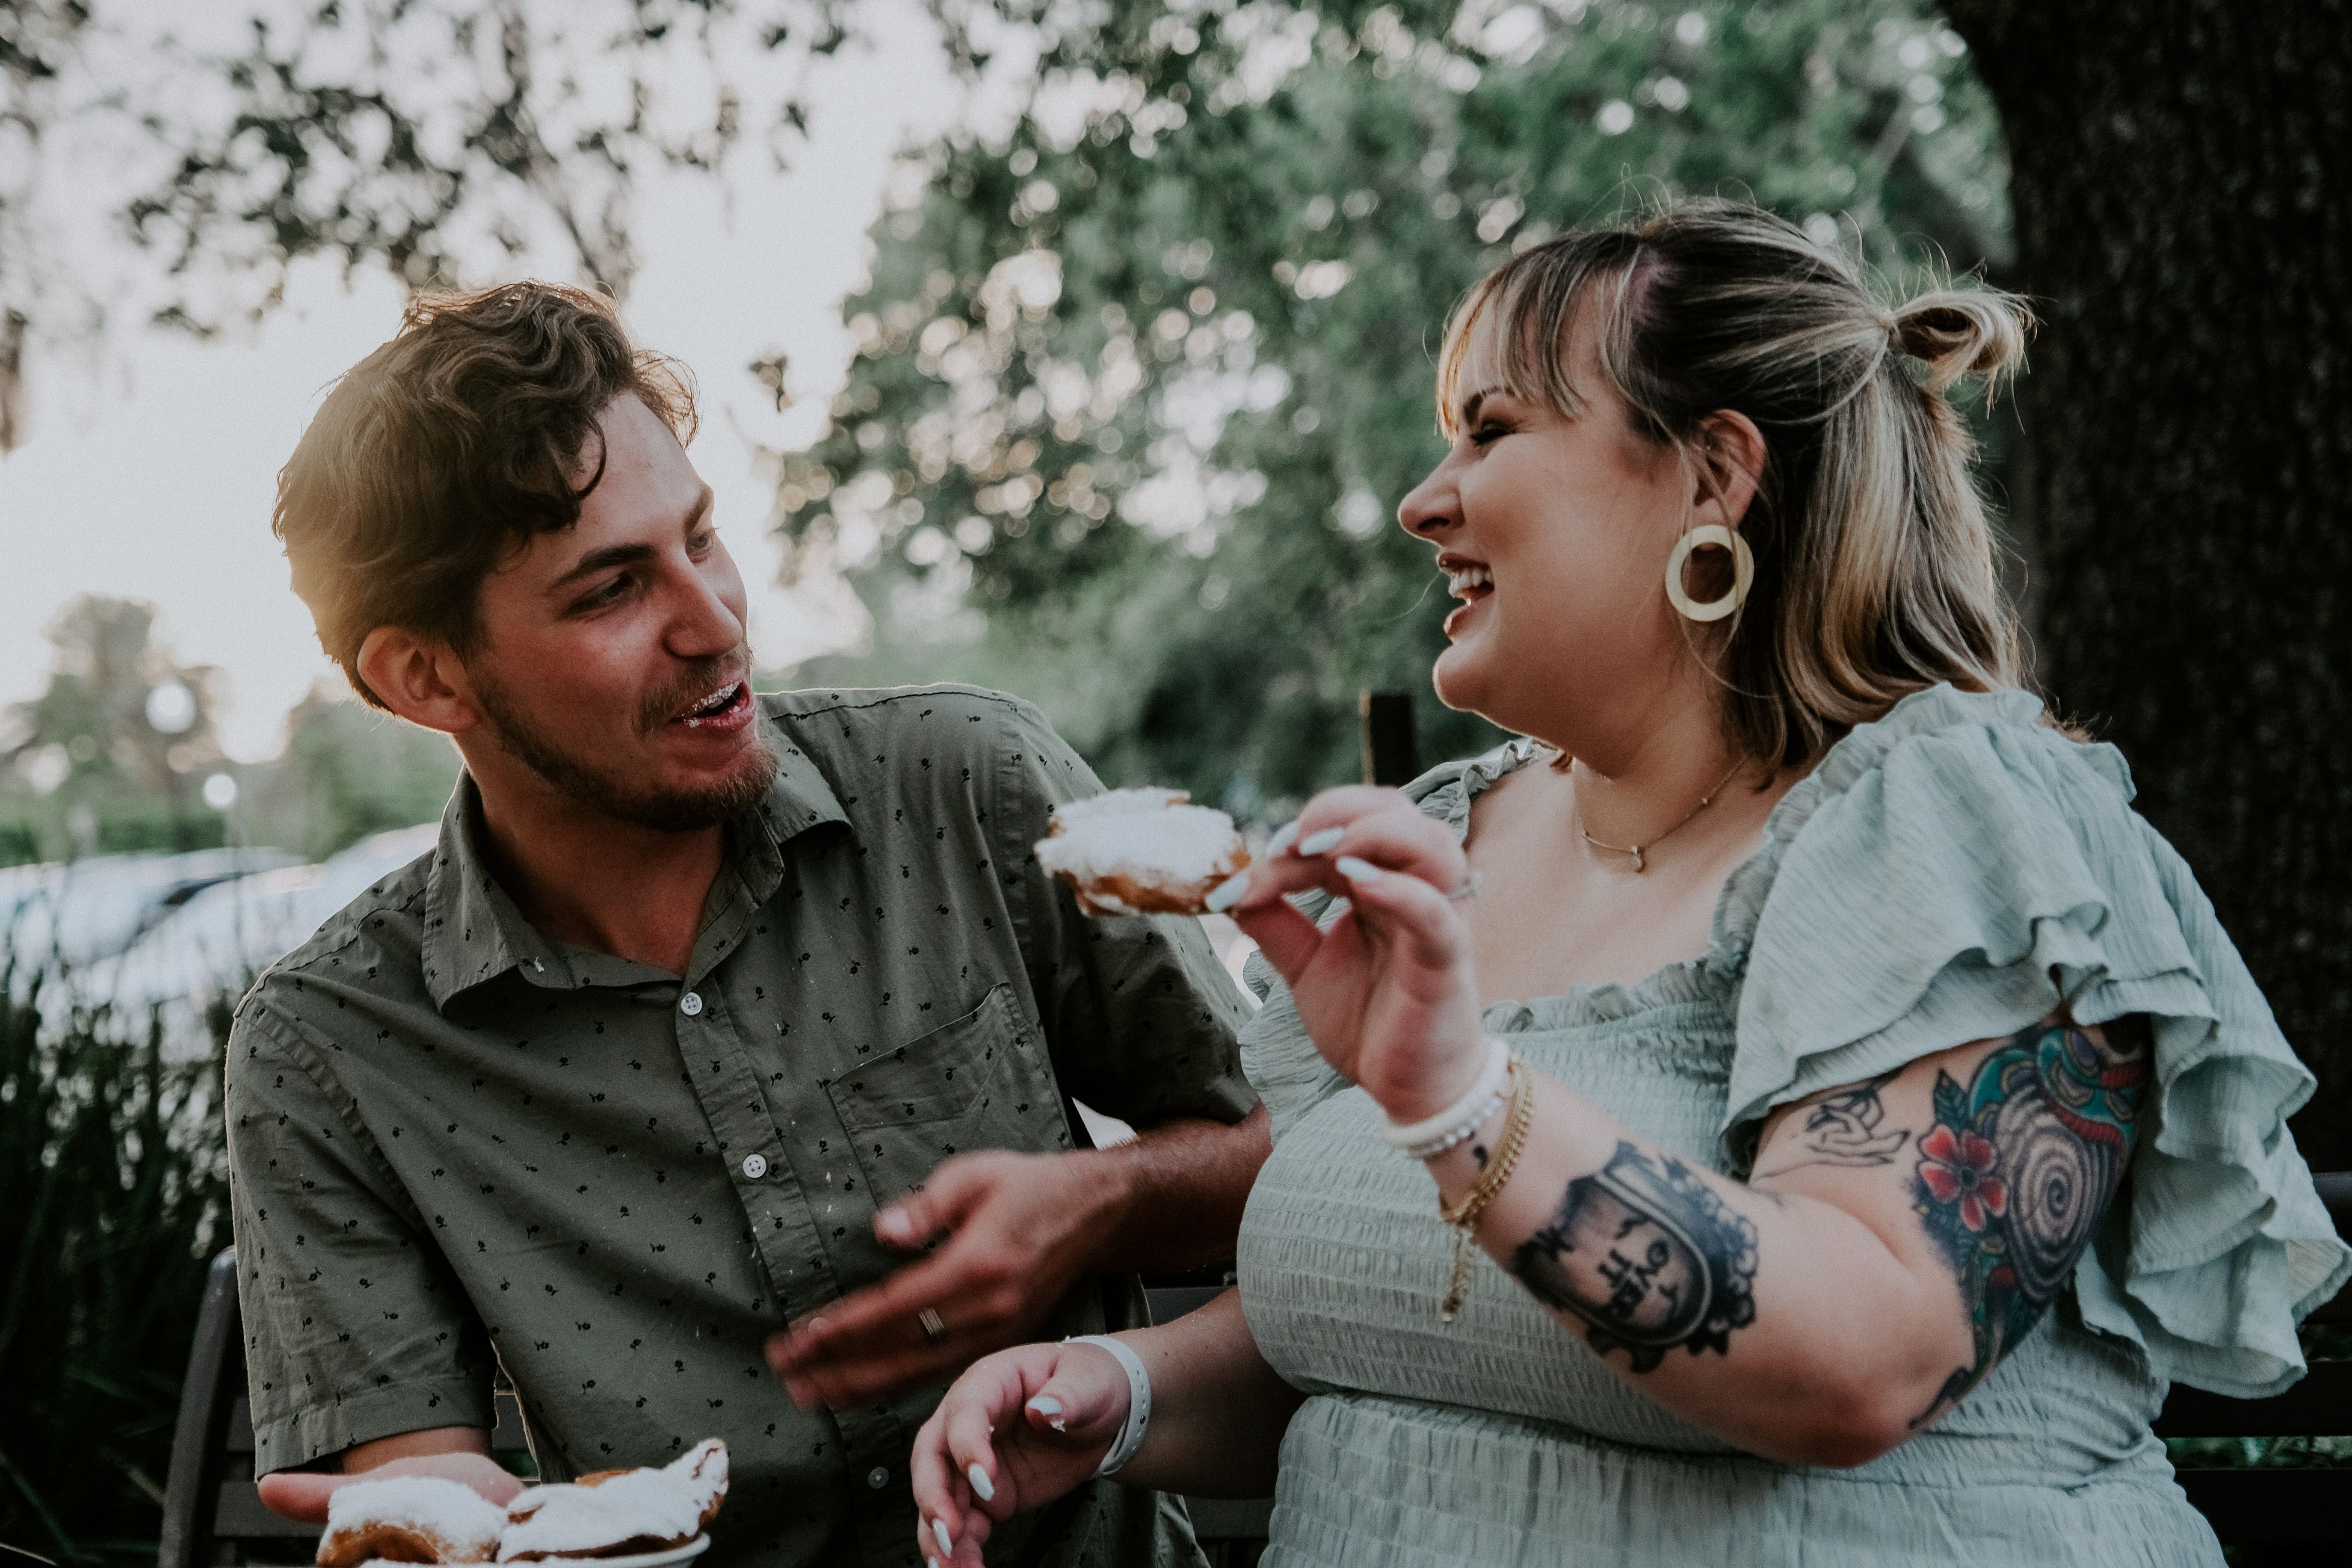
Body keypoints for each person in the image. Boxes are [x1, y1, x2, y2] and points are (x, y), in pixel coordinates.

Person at [905, 201, 2351, 1568]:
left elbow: (1861, 1359)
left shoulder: (1957, 820)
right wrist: (1124, 1389)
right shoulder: (1443, 845)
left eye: (1491, 428)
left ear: (1713, 473)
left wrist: (1460, 1101)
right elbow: (1385, 1329)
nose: (1424, 501)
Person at [222, 281, 1269, 1568]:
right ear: (425, 676)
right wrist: (464, 1533)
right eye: (611, 589)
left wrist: (1098, 1201)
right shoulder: (328, 1045)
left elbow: (1301, 1162)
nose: (715, 624)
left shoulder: (972, 786)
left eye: (702, 539)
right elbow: (421, 1473)